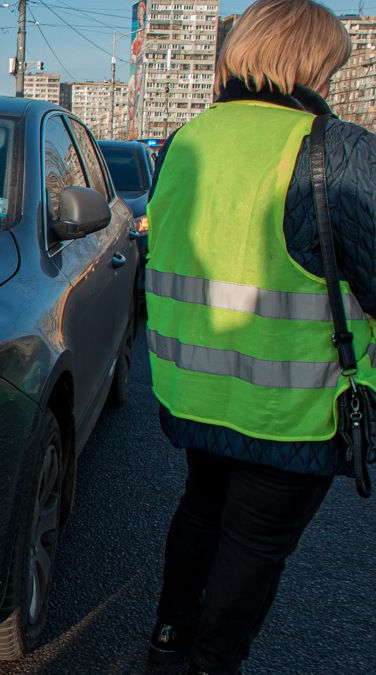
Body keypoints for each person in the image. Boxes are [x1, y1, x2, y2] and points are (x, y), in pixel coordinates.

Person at [144, 1, 376, 674]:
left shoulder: (187, 140)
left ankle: (168, 636)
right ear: (311, 61)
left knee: (200, 511)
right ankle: (212, 663)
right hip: (291, 405)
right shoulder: (337, 149)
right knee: (254, 545)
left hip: (195, 390)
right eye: (331, 63)